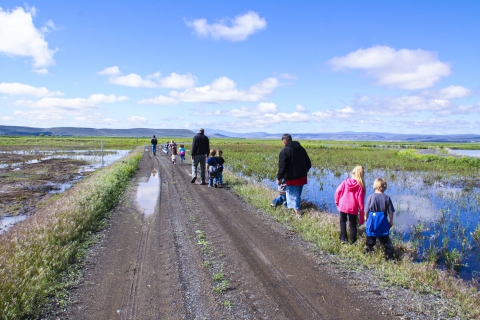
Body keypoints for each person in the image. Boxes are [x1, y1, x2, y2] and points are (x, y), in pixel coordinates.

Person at [276, 134, 311, 218]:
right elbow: (308, 163)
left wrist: (279, 177)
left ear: (284, 141)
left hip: (292, 178)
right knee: (297, 194)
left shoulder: (285, 151)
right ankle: (295, 209)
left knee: (292, 195)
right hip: (302, 177)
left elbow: (282, 166)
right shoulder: (301, 149)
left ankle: (298, 212)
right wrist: (304, 170)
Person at [365, 178, 395, 260]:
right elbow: (391, 212)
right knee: (386, 242)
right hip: (382, 222)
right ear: (384, 187)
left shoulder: (370, 197)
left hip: (372, 222)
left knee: (370, 240)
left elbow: (366, 211)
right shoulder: (387, 198)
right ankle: (389, 258)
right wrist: (391, 222)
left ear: (374, 186)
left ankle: (369, 254)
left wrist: (366, 219)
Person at [334, 165, 366, 244]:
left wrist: (337, 202)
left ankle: (343, 238)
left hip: (343, 206)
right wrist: (361, 218)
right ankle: (352, 242)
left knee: (342, 221)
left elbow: (337, 192)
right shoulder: (360, 187)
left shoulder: (345, 182)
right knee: (352, 225)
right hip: (353, 208)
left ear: (353, 173)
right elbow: (361, 204)